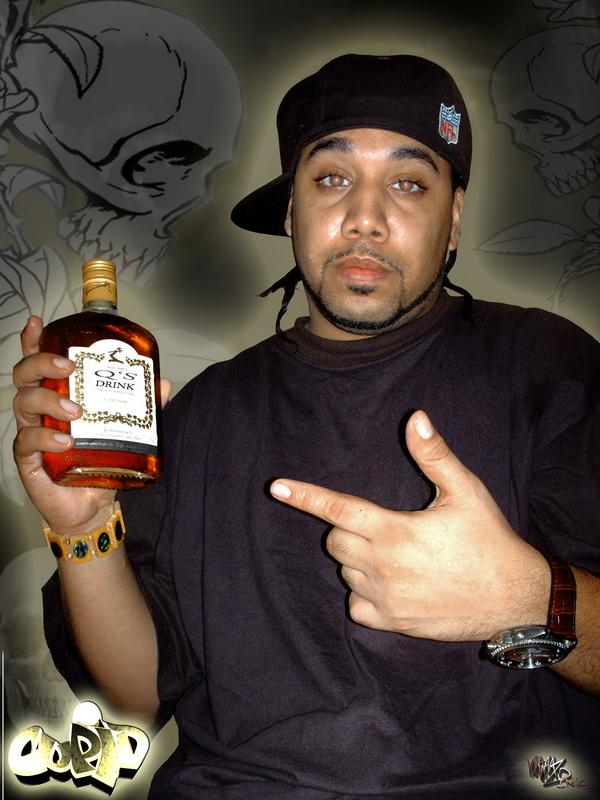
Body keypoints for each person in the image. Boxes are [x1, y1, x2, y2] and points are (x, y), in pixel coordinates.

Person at [12, 54, 600, 799]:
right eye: (331, 178)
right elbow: (136, 695)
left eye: (409, 183)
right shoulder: (202, 412)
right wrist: (84, 528)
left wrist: (525, 596)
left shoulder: (548, 366)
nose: (365, 217)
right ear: (291, 211)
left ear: (453, 220)